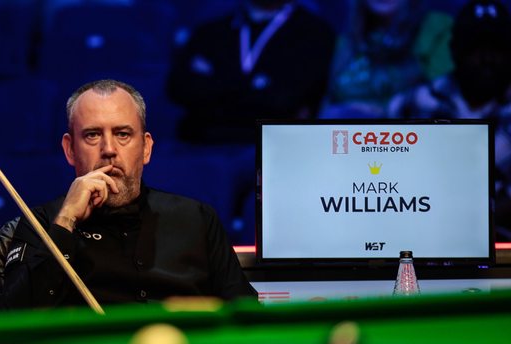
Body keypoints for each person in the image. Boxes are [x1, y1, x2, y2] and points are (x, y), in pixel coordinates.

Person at [0, 79, 258, 309]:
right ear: (70, 150)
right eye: (92, 135)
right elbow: (13, 321)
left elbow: (245, 315)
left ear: (146, 148)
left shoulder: (198, 219)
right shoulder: (41, 224)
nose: (109, 149)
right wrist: (66, 221)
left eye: (122, 134)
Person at [388, 0, 511, 238]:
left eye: (498, 49)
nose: (487, 59)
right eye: (476, 48)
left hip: (500, 242)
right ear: (455, 51)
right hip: (417, 235)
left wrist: (469, 225)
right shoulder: (411, 105)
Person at [166, 0, 336, 144]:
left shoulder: (314, 32)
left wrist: (217, 82)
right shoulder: (209, 32)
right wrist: (254, 84)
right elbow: (179, 89)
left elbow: (282, 100)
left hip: (274, 147)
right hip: (200, 145)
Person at [319, 0, 453, 119]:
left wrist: (389, 108)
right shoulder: (344, 42)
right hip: (345, 131)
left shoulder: (435, 27)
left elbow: (443, 91)